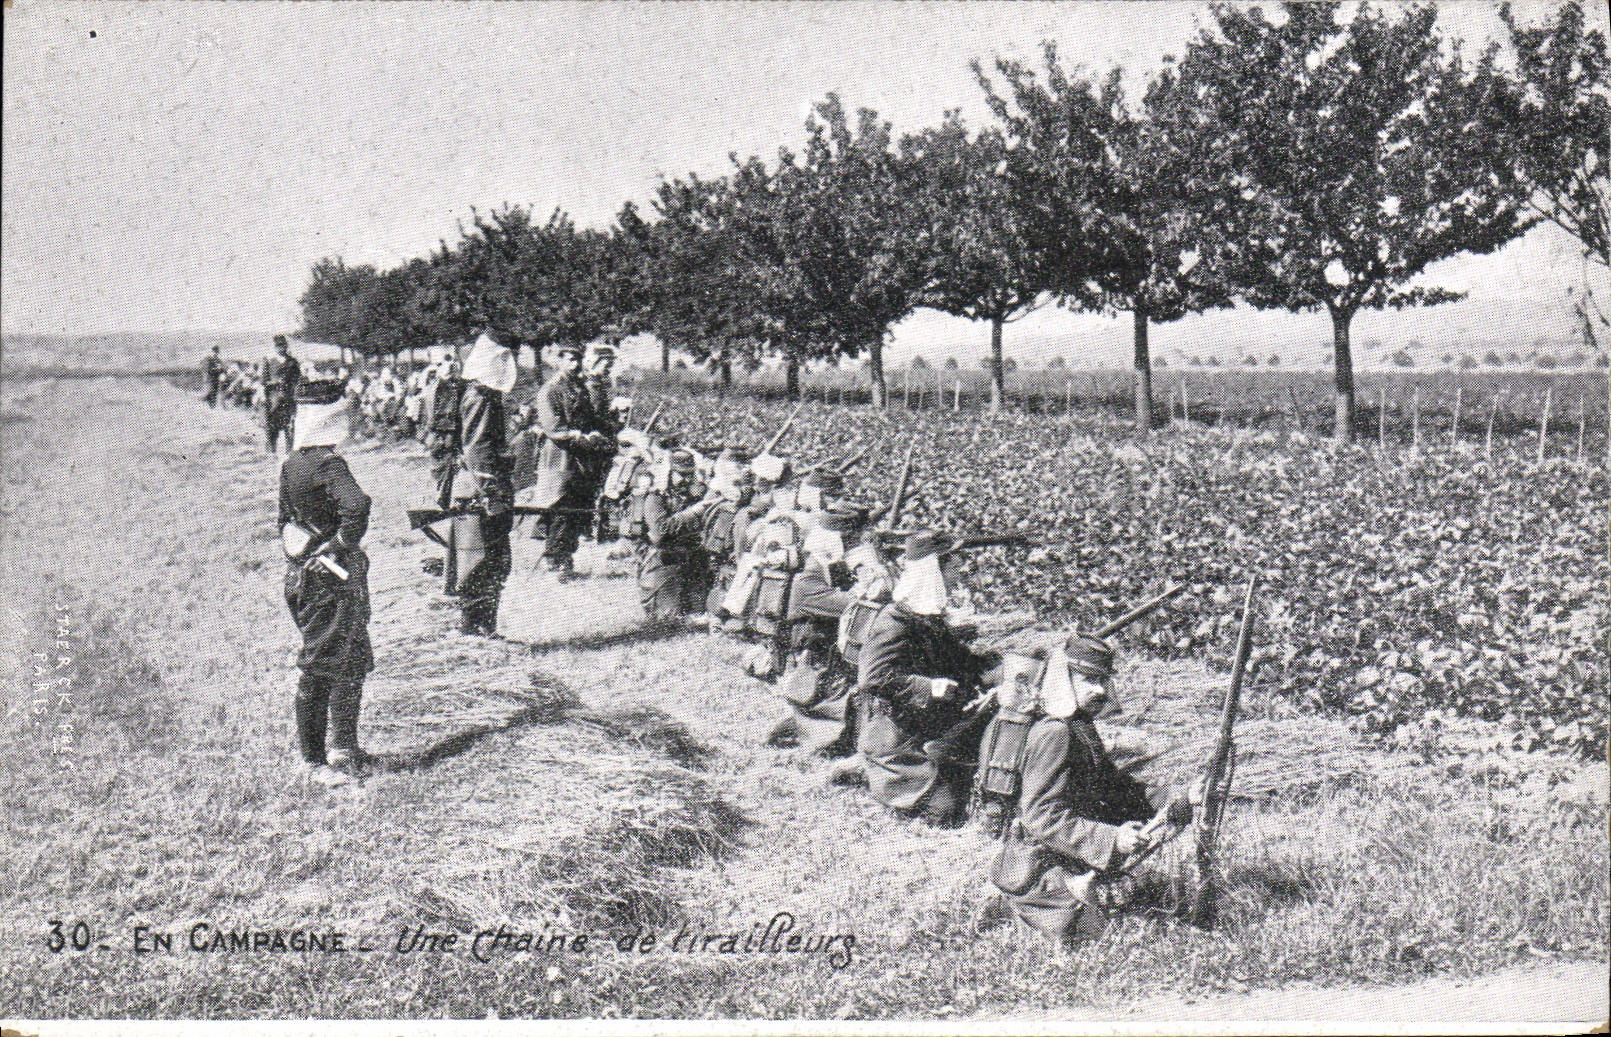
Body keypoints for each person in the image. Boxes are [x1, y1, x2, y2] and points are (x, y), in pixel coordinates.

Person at [977, 635, 1197, 944]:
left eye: (1104, 681)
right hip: (1040, 862)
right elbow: (1042, 817)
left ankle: (1067, 892)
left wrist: (1181, 795)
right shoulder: (1055, 733)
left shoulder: (1077, 725)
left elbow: (1116, 790)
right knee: (1099, 937)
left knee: (1116, 926)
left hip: (1066, 853)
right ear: (1065, 679)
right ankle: (1016, 904)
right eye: (1089, 680)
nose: (1101, 691)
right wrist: (1113, 839)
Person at [855, 530, 998, 827]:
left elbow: (958, 662)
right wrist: (928, 686)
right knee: (944, 811)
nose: (958, 576)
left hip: (925, 724)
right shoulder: (894, 623)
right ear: (935, 571)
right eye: (953, 569)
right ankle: (870, 770)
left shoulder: (925, 617)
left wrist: (998, 667)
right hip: (896, 735)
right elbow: (873, 677)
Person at [279, 378, 374, 786]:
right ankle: (315, 761)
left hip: (304, 577)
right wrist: (337, 546)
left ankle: (343, 748)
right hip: (330, 583)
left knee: (349, 659)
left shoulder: (292, 463)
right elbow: (357, 505)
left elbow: (285, 523)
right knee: (323, 666)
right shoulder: (328, 464)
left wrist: (306, 552)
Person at [768, 504, 887, 756]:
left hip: (824, 659)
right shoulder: (808, 580)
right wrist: (870, 568)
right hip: (817, 662)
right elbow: (858, 606)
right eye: (850, 544)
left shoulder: (821, 572)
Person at [453, 330, 517, 636]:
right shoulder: (481, 398)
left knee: (490, 560)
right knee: (482, 560)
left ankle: (481, 627)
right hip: (482, 491)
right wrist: (493, 495)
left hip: (481, 488)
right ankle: (476, 628)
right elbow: (477, 449)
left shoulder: (482, 396)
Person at [533, 342, 615, 578]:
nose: (574, 364)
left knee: (577, 506)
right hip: (560, 455)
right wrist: (580, 435)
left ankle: (566, 556)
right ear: (558, 361)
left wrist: (598, 431)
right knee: (559, 504)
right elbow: (554, 427)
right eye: (568, 359)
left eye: (577, 359)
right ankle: (554, 558)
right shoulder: (550, 389)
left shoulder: (578, 387)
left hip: (581, 455)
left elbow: (590, 416)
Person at [636, 449, 713, 623]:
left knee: (700, 611)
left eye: (689, 475)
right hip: (663, 559)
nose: (685, 479)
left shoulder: (693, 494)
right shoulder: (656, 497)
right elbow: (659, 532)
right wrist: (691, 513)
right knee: (669, 617)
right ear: (670, 472)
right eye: (681, 474)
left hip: (690, 557)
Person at [262, 334, 302, 453]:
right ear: (275, 348)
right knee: (272, 426)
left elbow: (297, 378)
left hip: (289, 397)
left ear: (286, 346)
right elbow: (263, 381)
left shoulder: (293, 362)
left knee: (290, 426)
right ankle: (271, 452)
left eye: (283, 346)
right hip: (273, 399)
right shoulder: (269, 362)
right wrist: (275, 382)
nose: (281, 348)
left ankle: (289, 453)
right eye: (278, 346)